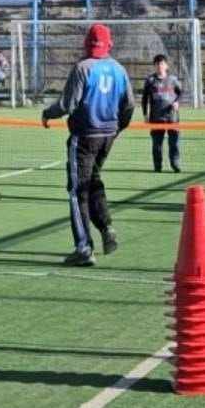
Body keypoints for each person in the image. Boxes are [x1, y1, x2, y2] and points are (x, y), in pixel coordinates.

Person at [42, 23, 135, 267]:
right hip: (107, 135)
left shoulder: (82, 68)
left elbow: (67, 104)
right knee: (94, 181)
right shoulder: (119, 70)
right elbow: (129, 105)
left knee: (77, 191)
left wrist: (47, 113)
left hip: (84, 136)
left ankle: (84, 247)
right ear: (109, 44)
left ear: (86, 43)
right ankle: (106, 227)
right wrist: (117, 129)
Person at [141, 54, 182, 173]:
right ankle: (157, 166)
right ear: (154, 66)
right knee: (157, 145)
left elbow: (181, 93)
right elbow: (144, 99)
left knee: (174, 143)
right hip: (156, 118)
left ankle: (175, 164)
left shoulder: (173, 80)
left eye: (162, 63)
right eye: (157, 64)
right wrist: (145, 115)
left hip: (172, 117)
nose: (160, 66)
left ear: (166, 65)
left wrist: (177, 102)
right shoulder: (150, 80)